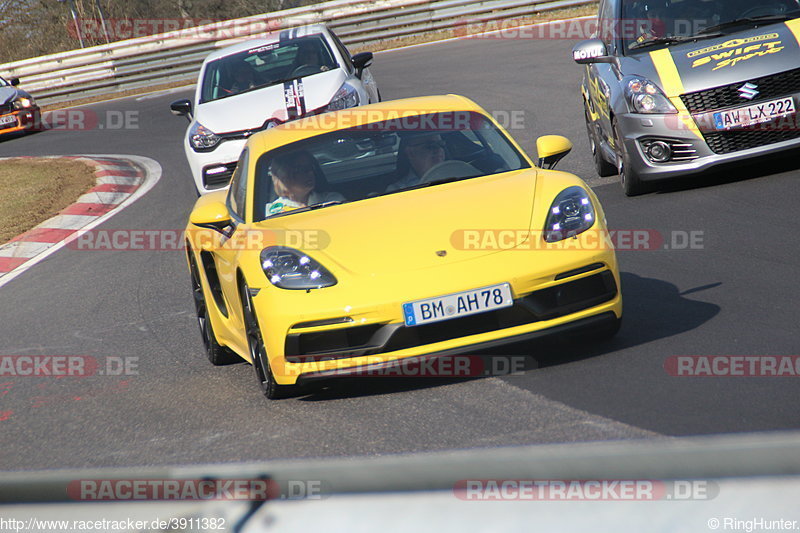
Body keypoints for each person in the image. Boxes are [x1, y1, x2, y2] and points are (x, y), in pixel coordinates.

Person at [265, 151, 345, 216]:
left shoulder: (332, 200)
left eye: (310, 167)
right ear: (285, 176)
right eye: (301, 169)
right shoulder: (271, 212)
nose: (310, 172)